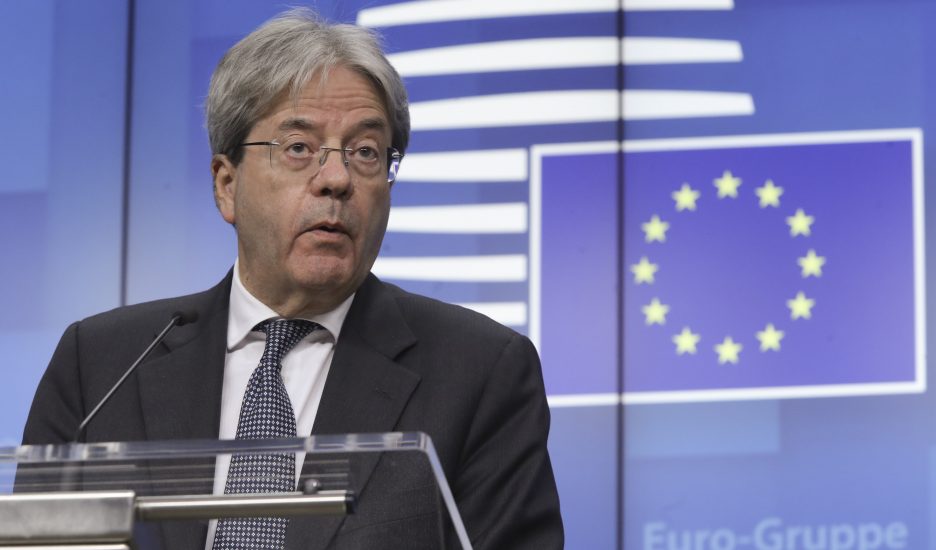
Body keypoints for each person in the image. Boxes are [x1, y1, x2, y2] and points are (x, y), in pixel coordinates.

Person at [21, 8, 563, 549]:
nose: (337, 179)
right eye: (299, 148)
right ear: (226, 184)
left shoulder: (480, 372)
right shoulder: (101, 366)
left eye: (365, 152)